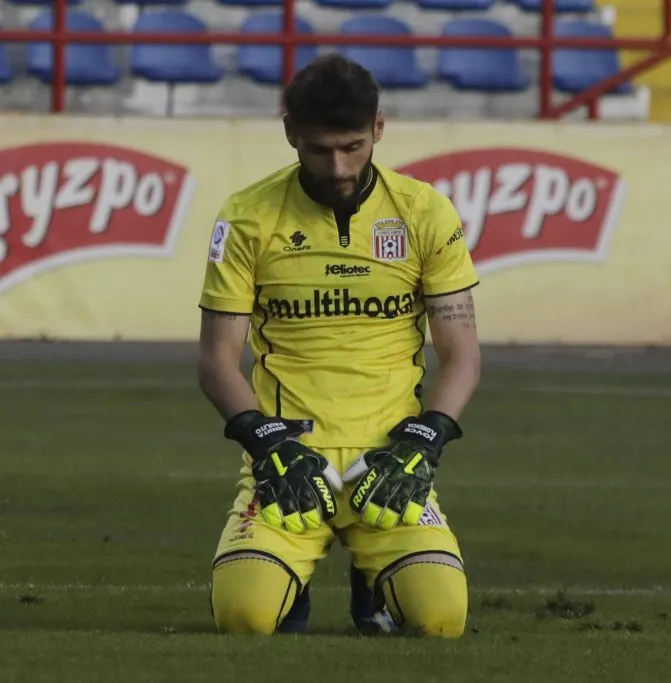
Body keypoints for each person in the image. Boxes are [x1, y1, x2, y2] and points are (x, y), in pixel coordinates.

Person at [195, 54, 481, 638]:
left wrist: (425, 442)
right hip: (289, 465)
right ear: (290, 133)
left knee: (442, 619)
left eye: (353, 147)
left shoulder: (425, 213)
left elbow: (462, 356)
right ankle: (291, 580)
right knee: (246, 618)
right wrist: (265, 443)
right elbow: (217, 360)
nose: (339, 167)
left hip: (390, 465)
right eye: (319, 150)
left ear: (378, 128)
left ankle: (372, 581)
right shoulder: (248, 217)